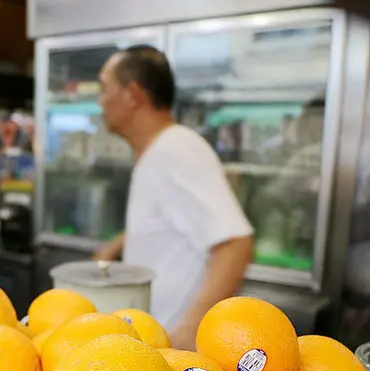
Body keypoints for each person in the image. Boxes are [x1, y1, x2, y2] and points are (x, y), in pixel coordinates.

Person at [94, 46, 254, 350]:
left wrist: (189, 329)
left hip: (172, 349)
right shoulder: (159, 151)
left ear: (133, 94)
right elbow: (171, 220)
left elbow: (236, 244)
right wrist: (117, 244)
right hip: (151, 343)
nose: (100, 102)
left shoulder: (176, 150)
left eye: (104, 88)